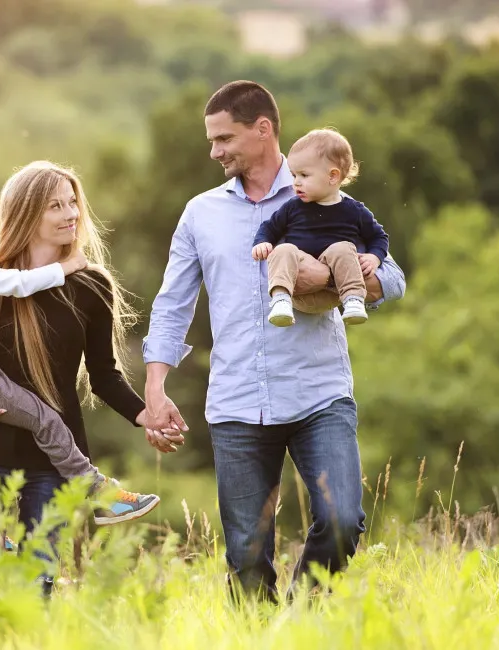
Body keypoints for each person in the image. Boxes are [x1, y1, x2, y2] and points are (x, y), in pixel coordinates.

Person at [141, 81, 407, 603]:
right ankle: (260, 635)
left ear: (263, 130)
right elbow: (173, 303)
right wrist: (155, 387)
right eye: (212, 141)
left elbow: (392, 278)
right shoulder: (201, 213)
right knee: (245, 554)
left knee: (341, 520)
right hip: (237, 401)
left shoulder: (330, 197)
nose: (215, 151)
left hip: (319, 393)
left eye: (224, 138)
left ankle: (301, 622)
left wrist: (331, 281)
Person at [0, 161, 165, 597]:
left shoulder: (92, 285)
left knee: (39, 587)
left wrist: (146, 415)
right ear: (28, 213)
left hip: (53, 459)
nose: (70, 213)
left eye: (73, 202)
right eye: (56, 205)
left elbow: (104, 375)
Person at [251, 127, 390, 327]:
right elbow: (269, 227)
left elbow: (379, 237)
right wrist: (262, 242)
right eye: (293, 175)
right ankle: (280, 299)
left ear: (333, 176)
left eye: (304, 175)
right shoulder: (293, 207)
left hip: (336, 294)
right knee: (284, 249)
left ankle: (354, 300)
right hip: (299, 291)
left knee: (343, 248)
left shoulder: (354, 210)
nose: (295, 183)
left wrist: (374, 257)